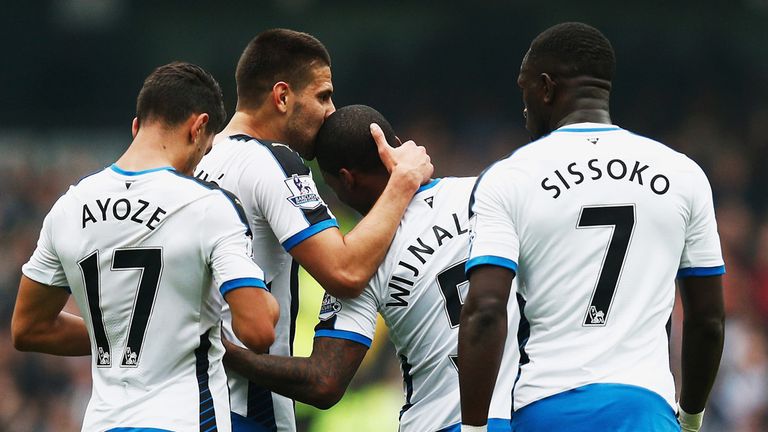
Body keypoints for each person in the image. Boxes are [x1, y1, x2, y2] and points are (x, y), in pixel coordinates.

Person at [458, 22, 725, 432]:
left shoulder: (509, 178)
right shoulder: (683, 174)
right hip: (645, 409)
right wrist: (689, 421)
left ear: (546, 88)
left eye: (524, 89)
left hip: (546, 407)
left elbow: (486, 310)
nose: (524, 105)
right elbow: (707, 320)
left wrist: (474, 429)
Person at [11, 62, 280, 431]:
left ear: (137, 126)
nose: (199, 163)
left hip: (102, 423)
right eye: (204, 150)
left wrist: (124, 333)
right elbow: (258, 330)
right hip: (184, 420)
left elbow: (29, 328)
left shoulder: (68, 207)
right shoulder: (208, 206)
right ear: (199, 128)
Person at [222, 104, 518, 431]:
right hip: (522, 415)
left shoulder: (361, 263)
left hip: (437, 422)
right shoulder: (490, 193)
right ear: (395, 145)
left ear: (346, 180)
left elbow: (324, 381)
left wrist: (234, 356)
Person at [194, 29, 433, 432]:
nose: (330, 110)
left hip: (191, 402)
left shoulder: (198, 162)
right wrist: (403, 182)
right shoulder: (271, 162)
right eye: (323, 96)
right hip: (245, 406)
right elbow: (345, 272)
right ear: (282, 96)